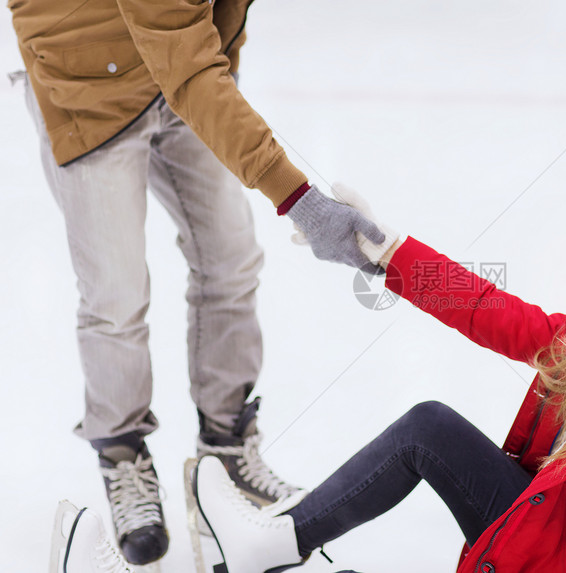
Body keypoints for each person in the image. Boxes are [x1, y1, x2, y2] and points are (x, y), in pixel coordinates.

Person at [189, 194, 566, 572]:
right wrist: (382, 250)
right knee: (429, 428)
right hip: (550, 530)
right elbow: (485, 309)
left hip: (556, 560)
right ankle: (274, 546)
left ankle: (274, 546)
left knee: (426, 430)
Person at [9, 1, 392, 566]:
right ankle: (122, 457)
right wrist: (301, 200)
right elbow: (189, 66)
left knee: (232, 259)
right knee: (116, 293)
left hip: (178, 66)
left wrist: (223, 71)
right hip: (85, 79)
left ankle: (225, 451)